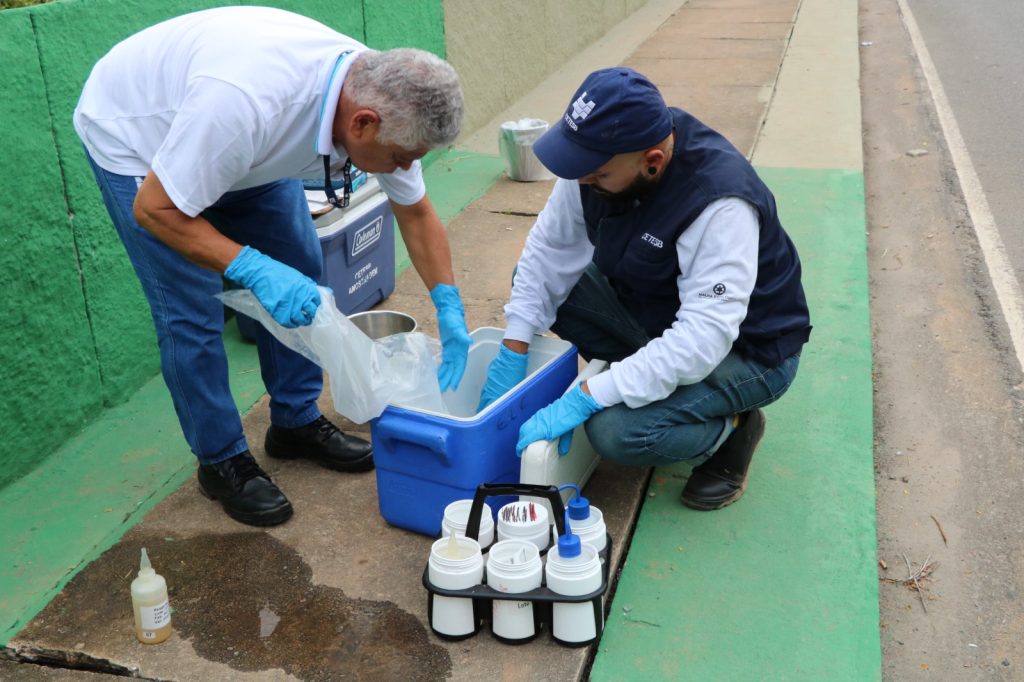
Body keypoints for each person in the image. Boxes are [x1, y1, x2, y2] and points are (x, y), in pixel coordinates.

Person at [73, 6, 473, 526]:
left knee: (301, 267)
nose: (404, 167)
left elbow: (415, 212)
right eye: (401, 156)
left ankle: (295, 421)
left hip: (242, 147)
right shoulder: (249, 103)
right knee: (191, 310)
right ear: (363, 123)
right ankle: (221, 461)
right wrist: (251, 266)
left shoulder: (375, 91)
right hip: (138, 142)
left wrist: (449, 305)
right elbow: (156, 210)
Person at [478, 67, 811, 511]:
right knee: (539, 284)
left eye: (595, 175)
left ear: (652, 161)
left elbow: (702, 338)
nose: (581, 182)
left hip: (750, 351)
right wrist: (513, 347)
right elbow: (549, 250)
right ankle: (652, 387)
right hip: (660, 315)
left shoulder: (718, 203)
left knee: (616, 432)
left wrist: (589, 395)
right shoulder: (604, 154)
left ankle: (733, 429)